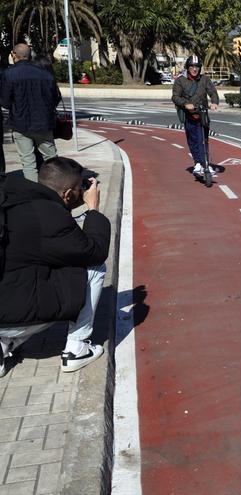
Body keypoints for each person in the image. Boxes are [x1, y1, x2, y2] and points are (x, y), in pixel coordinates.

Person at [0, 157, 110, 377]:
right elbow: (93, 250)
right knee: (94, 267)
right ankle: (77, 349)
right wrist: (93, 209)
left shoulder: (14, 197)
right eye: (81, 189)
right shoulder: (49, 216)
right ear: (68, 194)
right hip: (13, 315)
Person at [0, 44, 62, 182]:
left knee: (28, 162)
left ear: (14, 54)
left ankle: (35, 192)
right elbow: (55, 98)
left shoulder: (9, 74)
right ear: (30, 55)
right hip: (44, 123)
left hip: (20, 123)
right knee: (51, 158)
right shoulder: (45, 74)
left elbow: (5, 102)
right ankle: (57, 188)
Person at [171, 54, 219, 178]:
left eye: (197, 66)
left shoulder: (204, 80)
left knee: (203, 139)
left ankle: (205, 164)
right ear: (188, 67)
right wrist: (186, 104)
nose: (194, 69)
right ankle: (198, 163)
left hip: (203, 114)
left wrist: (214, 102)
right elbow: (175, 97)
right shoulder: (180, 80)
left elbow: (212, 91)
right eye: (192, 66)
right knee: (193, 140)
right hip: (189, 115)